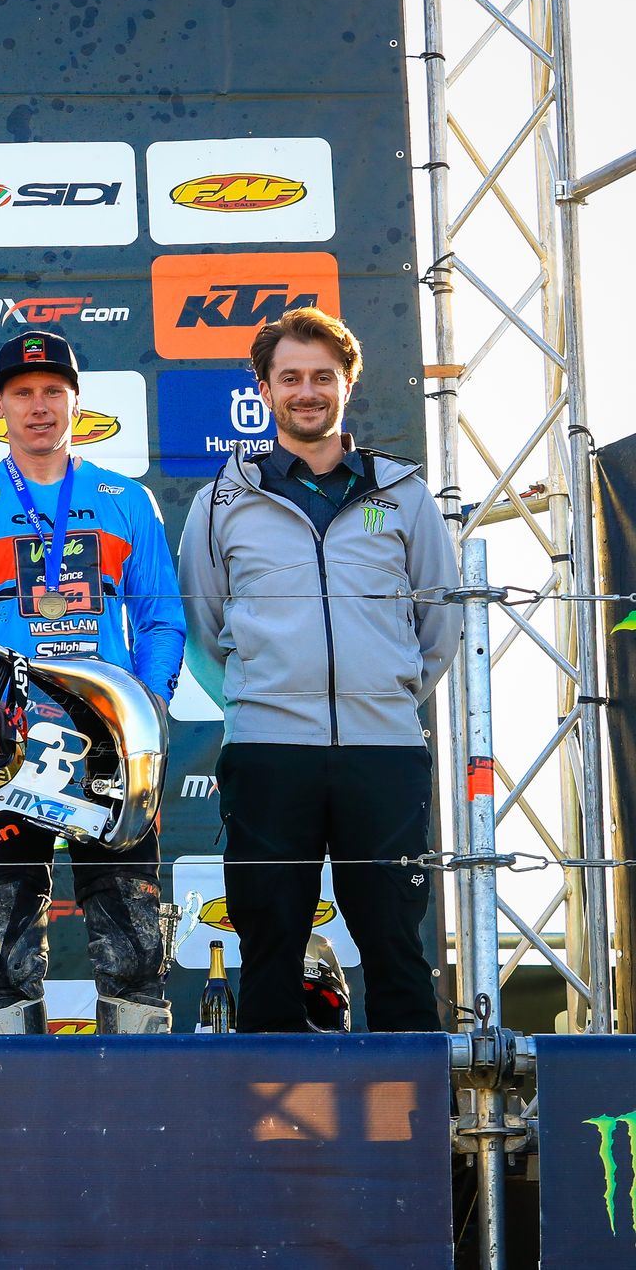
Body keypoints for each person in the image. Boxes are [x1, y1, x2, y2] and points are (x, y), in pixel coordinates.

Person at [178, 307, 460, 1032]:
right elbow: (204, 631)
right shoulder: (222, 500)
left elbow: (440, 623)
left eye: (323, 377)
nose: (308, 391)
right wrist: (260, 700)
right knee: (270, 950)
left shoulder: (403, 493)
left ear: (347, 384)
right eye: (292, 377)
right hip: (269, 752)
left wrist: (386, 694)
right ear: (265, 389)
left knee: (397, 948)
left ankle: (409, 1106)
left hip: (384, 750)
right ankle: (269, 1108)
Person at [0, 329, 186, 1034]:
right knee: (3, 957)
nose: (39, 406)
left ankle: (140, 1088)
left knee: (135, 951)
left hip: (109, 752)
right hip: (4, 753)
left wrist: (145, 710)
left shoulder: (128, 500)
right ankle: (9, 1090)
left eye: (53, 392)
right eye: (23, 393)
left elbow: (161, 620)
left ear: (76, 402)